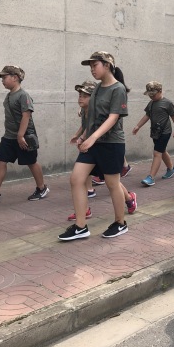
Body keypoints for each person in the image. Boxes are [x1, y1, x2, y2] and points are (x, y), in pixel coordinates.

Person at [58, 51, 130, 240]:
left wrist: (93, 137)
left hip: (111, 143)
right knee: (76, 179)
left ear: (107, 65)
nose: (92, 69)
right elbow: (91, 116)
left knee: (112, 184)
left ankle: (120, 223)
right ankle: (80, 227)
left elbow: (113, 118)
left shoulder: (118, 89)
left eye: (94, 65)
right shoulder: (97, 88)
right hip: (93, 143)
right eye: (90, 67)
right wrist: (83, 136)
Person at [0, 66, 49, 203]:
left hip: (23, 137)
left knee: (31, 162)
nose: (2, 80)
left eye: (4, 77)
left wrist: (20, 136)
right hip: (9, 136)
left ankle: (42, 188)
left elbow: (26, 115)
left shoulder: (23, 95)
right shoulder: (9, 95)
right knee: (0, 161)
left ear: (15, 78)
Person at [67, 81, 137, 221]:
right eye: (80, 95)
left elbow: (97, 126)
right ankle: (84, 210)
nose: (80, 98)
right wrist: (79, 136)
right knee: (79, 177)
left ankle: (129, 200)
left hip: (105, 145)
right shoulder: (84, 109)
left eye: (85, 96)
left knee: (111, 180)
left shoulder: (101, 109)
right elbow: (87, 126)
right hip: (90, 145)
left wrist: (84, 137)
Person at [133, 82, 174, 186]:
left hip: (165, 132)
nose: (151, 97)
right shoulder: (151, 103)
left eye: (153, 95)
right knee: (162, 151)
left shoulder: (167, 103)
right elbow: (147, 116)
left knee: (157, 153)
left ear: (160, 91)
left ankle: (151, 177)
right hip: (155, 132)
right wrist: (138, 126)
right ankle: (171, 168)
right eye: (150, 95)